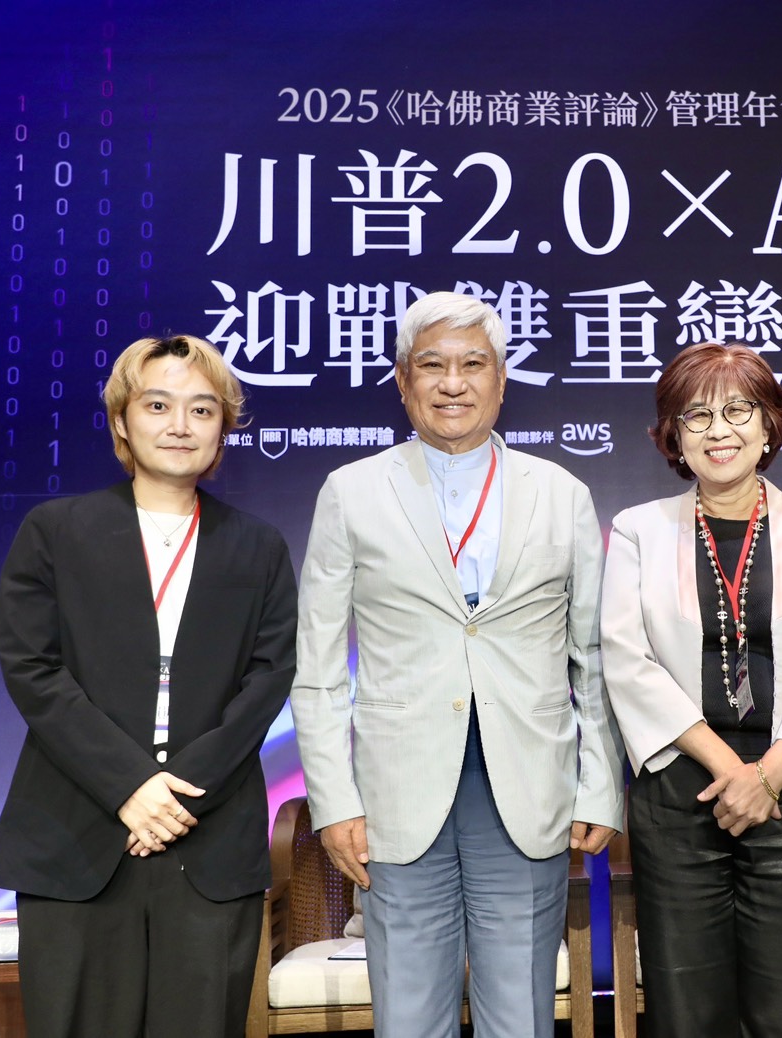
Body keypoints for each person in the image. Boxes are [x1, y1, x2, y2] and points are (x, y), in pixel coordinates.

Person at [290, 291, 625, 1038]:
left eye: (473, 365)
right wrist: (334, 800)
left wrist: (602, 786)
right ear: (402, 381)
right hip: (396, 794)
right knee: (409, 1016)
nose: (452, 383)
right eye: (432, 366)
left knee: (521, 1015)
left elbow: (593, 660)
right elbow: (318, 668)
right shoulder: (351, 491)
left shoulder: (561, 493)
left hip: (528, 788)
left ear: (501, 380)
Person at [0, 334, 297, 1038]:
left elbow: (270, 677)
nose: (180, 425)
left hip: (207, 837)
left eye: (202, 409)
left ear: (223, 428)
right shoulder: (56, 530)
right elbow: (32, 667)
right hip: (77, 832)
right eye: (158, 405)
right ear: (122, 421)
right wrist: (130, 784)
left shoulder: (258, 546)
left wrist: (177, 795)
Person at [601, 341, 782, 1037]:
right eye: (697, 416)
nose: (719, 431)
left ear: (770, 423)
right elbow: (628, 660)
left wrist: (767, 775)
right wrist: (731, 770)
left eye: (738, 411)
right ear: (674, 436)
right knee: (688, 1013)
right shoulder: (637, 530)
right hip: (680, 790)